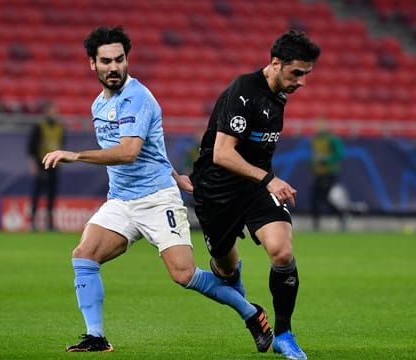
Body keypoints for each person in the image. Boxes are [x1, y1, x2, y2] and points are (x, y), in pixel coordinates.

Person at [42, 26, 273, 354]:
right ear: (92, 64)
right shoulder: (98, 104)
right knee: (84, 254)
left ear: (127, 60)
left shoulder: (138, 97)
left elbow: (129, 152)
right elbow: (151, 148)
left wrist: (75, 154)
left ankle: (251, 313)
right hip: (121, 200)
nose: (114, 67)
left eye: (119, 59)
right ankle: (96, 336)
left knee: (184, 275)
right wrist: (174, 171)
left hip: (156, 199)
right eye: (105, 61)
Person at [190, 30, 321, 360]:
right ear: (275, 63)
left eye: (306, 74)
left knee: (282, 252)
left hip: (254, 188)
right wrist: (269, 179)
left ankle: (284, 334)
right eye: (297, 73)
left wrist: (264, 182)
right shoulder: (243, 92)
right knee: (224, 270)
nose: (302, 82)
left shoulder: (279, 93)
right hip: (216, 191)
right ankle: (240, 294)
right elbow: (222, 153)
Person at [27, 102, 65, 231]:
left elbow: (62, 146)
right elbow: (31, 148)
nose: (53, 114)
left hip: (55, 165)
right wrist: (33, 165)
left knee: (52, 195)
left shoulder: (60, 128)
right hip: (41, 164)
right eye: (51, 112)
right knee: (36, 194)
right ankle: (32, 223)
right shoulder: (39, 127)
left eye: (55, 112)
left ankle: (50, 224)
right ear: (46, 113)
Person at [310, 119, 346, 231]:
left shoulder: (332, 140)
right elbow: (315, 155)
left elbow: (339, 155)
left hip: (329, 173)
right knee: (314, 198)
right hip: (318, 173)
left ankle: (342, 216)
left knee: (327, 199)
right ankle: (316, 224)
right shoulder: (315, 140)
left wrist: (326, 160)